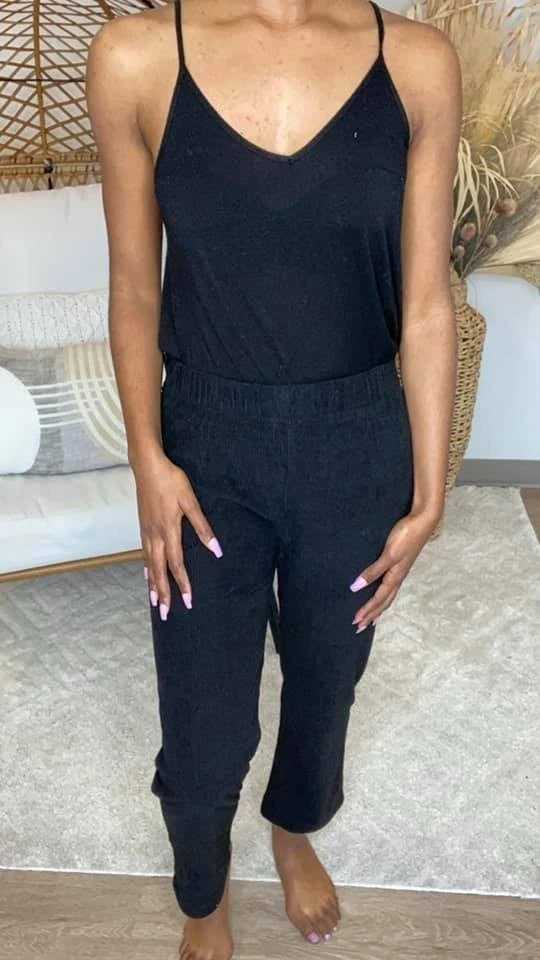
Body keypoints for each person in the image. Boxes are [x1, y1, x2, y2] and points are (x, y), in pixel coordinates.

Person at [86, 0, 460, 957]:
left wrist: (430, 494)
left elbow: (426, 305)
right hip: (204, 450)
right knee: (203, 719)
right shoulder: (135, 56)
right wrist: (148, 458)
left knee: (328, 679)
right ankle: (203, 890)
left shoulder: (417, 61)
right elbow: (133, 286)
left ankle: (292, 827)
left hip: (357, 442)